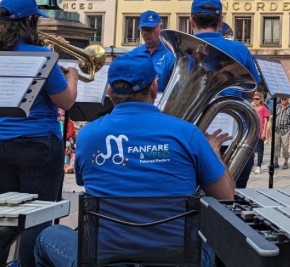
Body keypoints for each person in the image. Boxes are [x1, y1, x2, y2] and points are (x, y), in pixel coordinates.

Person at [34, 52, 234, 267]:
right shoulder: (188, 133)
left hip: (104, 260)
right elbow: (226, 196)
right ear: (154, 89)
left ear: (109, 92)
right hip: (178, 260)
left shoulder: (87, 135)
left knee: (49, 235)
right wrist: (213, 150)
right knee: (222, 238)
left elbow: (83, 180)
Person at [0, 0, 78, 267]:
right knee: (37, 217)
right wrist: (72, 77)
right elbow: (65, 101)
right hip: (37, 144)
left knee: (1, 218)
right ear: (31, 21)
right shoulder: (42, 56)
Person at [189, 0, 262, 188]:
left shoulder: (179, 49)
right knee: (233, 198)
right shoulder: (240, 50)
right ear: (221, 22)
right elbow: (249, 94)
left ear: (191, 21)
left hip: (192, 138)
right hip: (234, 139)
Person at [129, 10, 174, 92]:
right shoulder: (133, 54)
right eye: (143, 30)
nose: (146, 33)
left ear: (161, 27)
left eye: (150, 29)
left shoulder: (172, 54)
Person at [269, 97, 290, 171]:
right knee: (276, 146)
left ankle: (286, 162)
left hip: (285, 130)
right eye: (282, 98)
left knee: (285, 146)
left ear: (287, 99)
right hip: (277, 130)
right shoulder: (277, 106)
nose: (283, 99)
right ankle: (276, 162)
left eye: (285, 98)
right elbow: (273, 116)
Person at [251, 92, 269, 174]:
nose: (255, 100)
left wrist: (264, 131)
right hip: (252, 130)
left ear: (261, 99)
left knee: (260, 149)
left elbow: (265, 121)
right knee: (251, 148)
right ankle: (251, 164)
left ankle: (258, 166)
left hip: (260, 130)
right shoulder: (252, 107)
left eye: (257, 99)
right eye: (254, 99)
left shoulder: (263, 108)